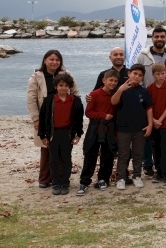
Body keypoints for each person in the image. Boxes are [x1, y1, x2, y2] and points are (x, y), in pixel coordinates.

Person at [26, 49, 80, 188]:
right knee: (46, 147)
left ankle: (61, 178)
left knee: (63, 151)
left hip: (64, 116)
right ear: (45, 60)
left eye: (57, 60)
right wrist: (36, 119)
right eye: (51, 59)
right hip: (45, 117)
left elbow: (75, 93)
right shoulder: (36, 76)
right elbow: (31, 98)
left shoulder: (66, 74)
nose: (54, 62)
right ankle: (45, 178)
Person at [136, 25, 166, 176]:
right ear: (152, 38)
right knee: (148, 132)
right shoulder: (143, 55)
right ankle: (148, 164)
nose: (159, 39)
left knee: (165, 136)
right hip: (147, 97)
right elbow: (138, 74)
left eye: (162, 36)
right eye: (156, 36)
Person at [37, 73, 83, 195]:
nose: (63, 88)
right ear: (56, 86)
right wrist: (42, 135)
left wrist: (78, 134)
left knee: (66, 159)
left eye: (66, 85)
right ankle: (56, 183)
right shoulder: (49, 100)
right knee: (54, 159)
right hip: (53, 134)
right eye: (61, 85)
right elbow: (43, 118)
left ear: (70, 87)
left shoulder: (76, 101)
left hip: (67, 134)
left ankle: (65, 182)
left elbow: (79, 120)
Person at [111, 64, 153, 190]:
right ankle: (121, 178)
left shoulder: (143, 91)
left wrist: (150, 124)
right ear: (129, 73)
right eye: (135, 73)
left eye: (140, 75)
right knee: (123, 154)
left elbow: (149, 108)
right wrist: (120, 89)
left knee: (138, 153)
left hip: (140, 128)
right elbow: (113, 102)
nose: (137, 77)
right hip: (123, 128)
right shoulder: (121, 88)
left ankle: (137, 176)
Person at [79, 68, 119, 195]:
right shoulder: (95, 94)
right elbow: (88, 112)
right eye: (110, 80)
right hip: (95, 127)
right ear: (104, 80)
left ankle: (103, 179)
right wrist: (103, 115)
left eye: (115, 81)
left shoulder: (116, 95)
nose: (113, 83)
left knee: (108, 154)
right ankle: (85, 181)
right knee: (91, 153)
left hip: (110, 128)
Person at [147, 63, 166, 185]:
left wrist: (161, 119)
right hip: (153, 122)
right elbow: (148, 106)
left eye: (163, 73)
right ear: (153, 75)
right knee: (155, 148)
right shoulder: (149, 88)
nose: (160, 76)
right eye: (158, 74)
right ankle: (158, 172)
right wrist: (153, 120)